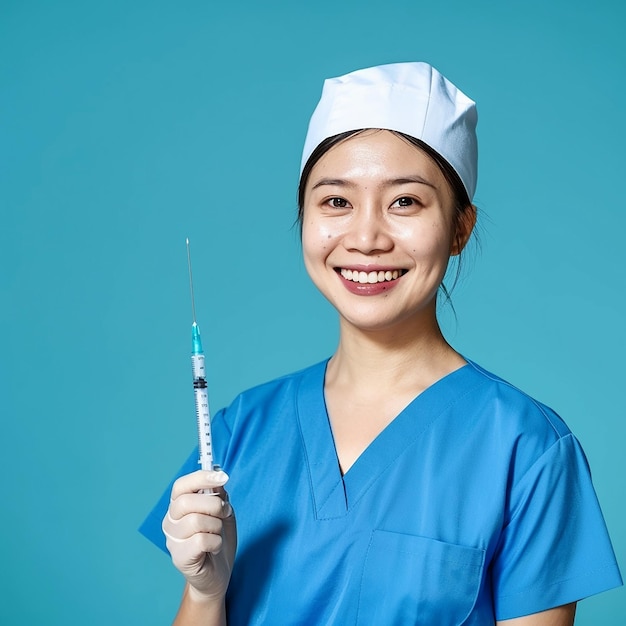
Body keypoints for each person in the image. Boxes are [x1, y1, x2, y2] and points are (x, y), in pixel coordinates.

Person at [140, 62, 622, 625]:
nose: (366, 238)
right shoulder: (240, 428)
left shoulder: (526, 448)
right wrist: (204, 592)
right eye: (336, 202)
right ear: (304, 220)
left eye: (405, 202)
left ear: (460, 228)